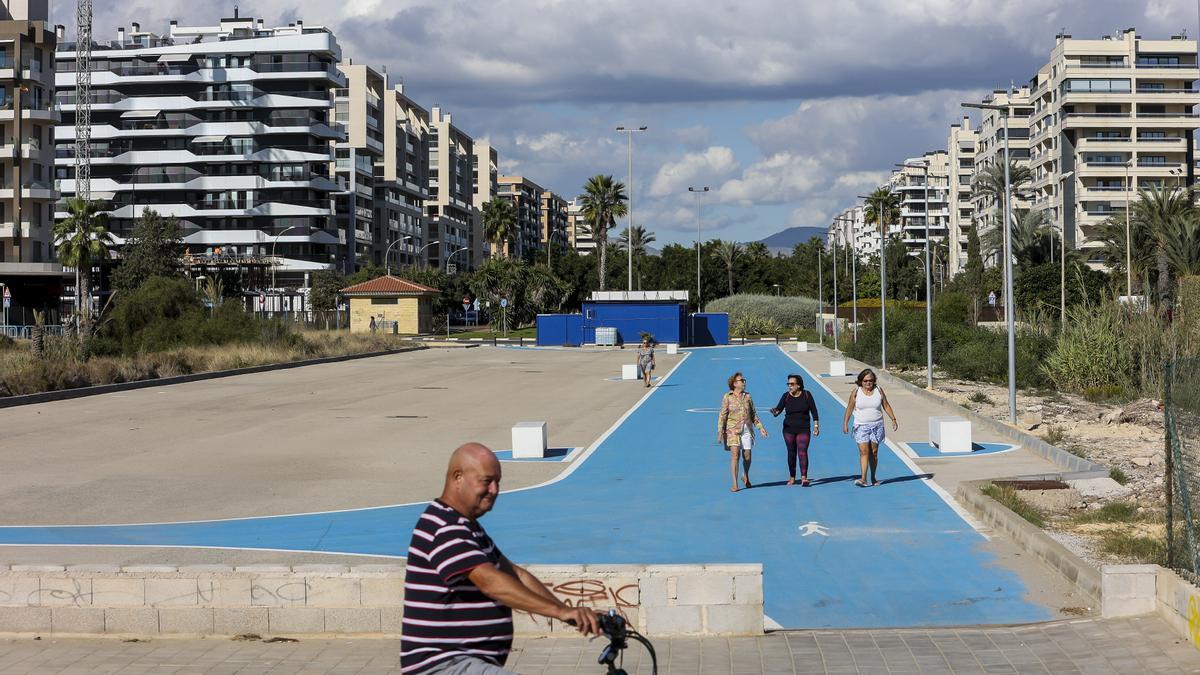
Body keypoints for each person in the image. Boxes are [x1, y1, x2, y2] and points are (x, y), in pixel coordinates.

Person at [401, 443, 601, 674]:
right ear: (458, 477)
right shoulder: (445, 527)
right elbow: (490, 581)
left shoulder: (468, 527)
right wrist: (560, 612)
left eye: (498, 482)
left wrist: (572, 615)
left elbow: (516, 575)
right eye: (487, 481)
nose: (495, 490)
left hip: (466, 663)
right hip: (443, 665)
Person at [840, 368, 898, 487]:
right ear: (861, 381)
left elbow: (886, 405)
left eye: (870, 380)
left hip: (877, 425)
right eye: (865, 380)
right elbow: (850, 408)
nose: (868, 383)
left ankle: (873, 477)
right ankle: (863, 479)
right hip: (861, 426)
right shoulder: (856, 392)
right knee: (864, 452)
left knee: (874, 452)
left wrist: (893, 419)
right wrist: (845, 423)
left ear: (874, 381)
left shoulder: (879, 390)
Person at [717, 372, 768, 492]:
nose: (744, 382)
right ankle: (735, 483)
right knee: (735, 455)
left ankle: (745, 475)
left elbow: (753, 414)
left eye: (744, 380)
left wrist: (761, 428)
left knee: (747, 456)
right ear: (734, 384)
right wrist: (720, 431)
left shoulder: (748, 397)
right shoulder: (727, 397)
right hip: (732, 430)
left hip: (746, 429)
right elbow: (722, 415)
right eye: (741, 380)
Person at [770, 374, 820, 487]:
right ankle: (792, 477)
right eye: (788, 384)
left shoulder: (807, 395)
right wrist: (774, 411)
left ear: (799, 385)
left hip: (804, 428)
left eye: (792, 384)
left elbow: (814, 411)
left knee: (802, 452)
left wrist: (816, 426)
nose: (789, 386)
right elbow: (778, 411)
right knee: (791, 453)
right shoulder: (786, 396)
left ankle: (804, 478)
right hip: (788, 429)